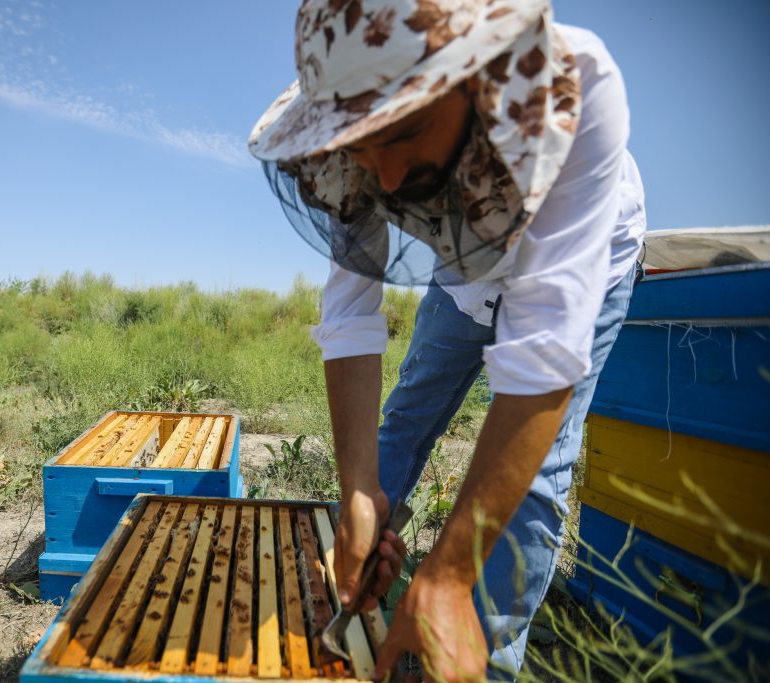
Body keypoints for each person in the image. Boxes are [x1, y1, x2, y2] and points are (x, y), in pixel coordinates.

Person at [249, 0, 646, 680]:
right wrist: (356, 491)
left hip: (582, 268)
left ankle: (473, 652)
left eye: (406, 132)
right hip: (461, 281)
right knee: (402, 423)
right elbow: (350, 311)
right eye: (362, 146)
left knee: (536, 481)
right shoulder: (367, 157)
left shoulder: (578, 85)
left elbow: (544, 350)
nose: (389, 176)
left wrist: (453, 571)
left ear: (474, 78)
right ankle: (353, 592)